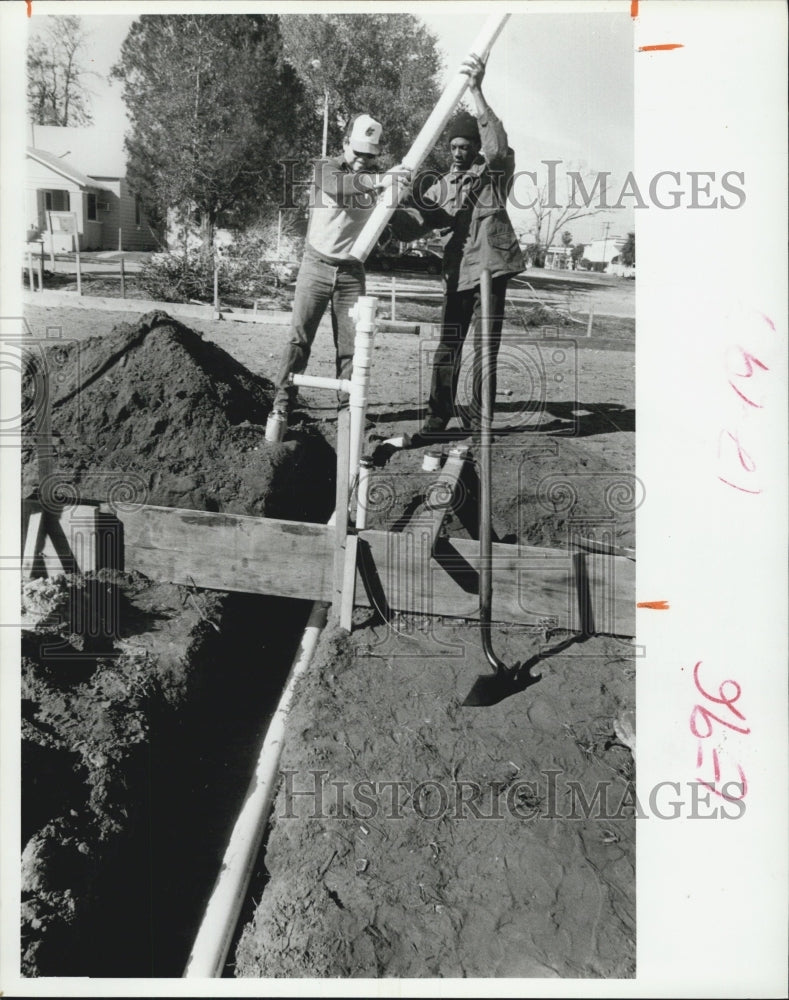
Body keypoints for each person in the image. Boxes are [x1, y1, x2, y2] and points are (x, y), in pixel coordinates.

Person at [408, 54, 525, 442]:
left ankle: (479, 422)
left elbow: (497, 148)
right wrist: (391, 201)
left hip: (490, 275)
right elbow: (416, 227)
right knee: (447, 349)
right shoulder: (439, 187)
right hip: (457, 277)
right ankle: (438, 418)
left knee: (485, 351)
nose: (459, 153)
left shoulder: (493, 174)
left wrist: (476, 90)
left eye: (466, 146)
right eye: (454, 146)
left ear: (475, 147)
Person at [273, 113, 412, 419]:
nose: (363, 158)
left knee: (352, 346)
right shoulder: (327, 168)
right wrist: (383, 180)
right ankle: (282, 404)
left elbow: (400, 225)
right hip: (316, 265)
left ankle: (348, 410)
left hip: (351, 273)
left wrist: (401, 192)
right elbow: (338, 187)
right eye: (358, 150)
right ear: (345, 142)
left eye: (370, 153)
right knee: (299, 339)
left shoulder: (379, 182)